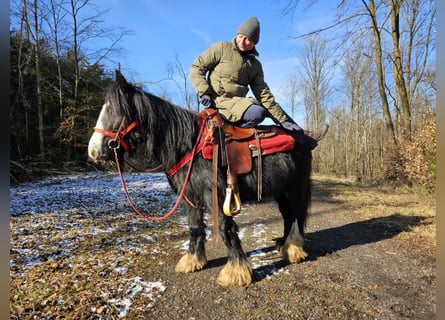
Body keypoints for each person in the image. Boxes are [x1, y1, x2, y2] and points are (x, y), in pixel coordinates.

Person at [190, 16, 328, 145]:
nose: (242, 42)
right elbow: (197, 67)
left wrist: (283, 120)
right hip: (218, 101)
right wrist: (204, 92)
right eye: (241, 37)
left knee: (271, 109)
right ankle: (234, 132)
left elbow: (263, 94)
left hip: (238, 104)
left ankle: (301, 134)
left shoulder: (255, 65)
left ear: (254, 42)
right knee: (258, 112)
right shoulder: (221, 48)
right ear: (237, 35)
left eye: (248, 39)